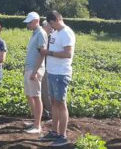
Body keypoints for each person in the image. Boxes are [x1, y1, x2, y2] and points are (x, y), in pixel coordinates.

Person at [39, 10, 75, 147]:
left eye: (52, 23)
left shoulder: (66, 33)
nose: (51, 26)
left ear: (57, 20)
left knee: (61, 103)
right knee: (54, 102)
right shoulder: (55, 32)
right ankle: (54, 132)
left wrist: (49, 53)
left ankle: (62, 135)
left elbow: (68, 54)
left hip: (61, 73)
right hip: (52, 72)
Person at [22, 12, 47, 134]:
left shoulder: (41, 33)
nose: (28, 24)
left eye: (29, 22)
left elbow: (42, 54)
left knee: (36, 97)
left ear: (36, 21)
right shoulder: (34, 33)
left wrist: (35, 71)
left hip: (35, 69)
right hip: (29, 68)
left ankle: (37, 126)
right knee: (29, 94)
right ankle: (35, 120)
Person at [41, 20, 53, 121]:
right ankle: (44, 113)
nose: (51, 28)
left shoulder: (52, 38)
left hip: (47, 68)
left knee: (47, 93)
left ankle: (51, 114)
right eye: (49, 26)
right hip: (41, 67)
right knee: (40, 93)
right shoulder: (43, 37)